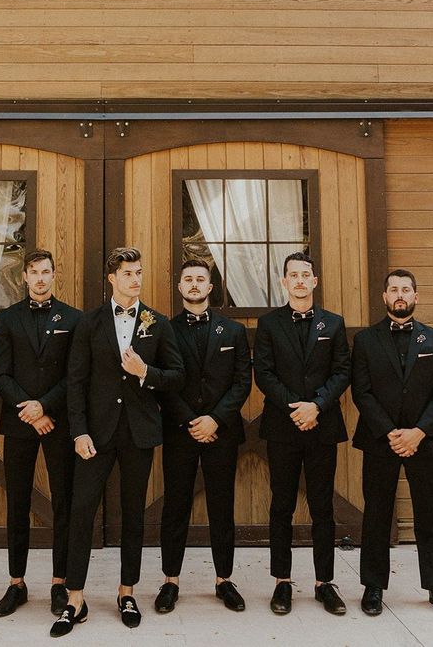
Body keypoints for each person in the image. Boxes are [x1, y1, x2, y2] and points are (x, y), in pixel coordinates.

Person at [50, 247, 184, 637]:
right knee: (81, 511)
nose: (135, 279)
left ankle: (127, 591)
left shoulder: (157, 322)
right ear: (112, 278)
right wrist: (78, 431)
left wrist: (147, 373)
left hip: (139, 432)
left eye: (139, 272)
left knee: (132, 515)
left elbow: (177, 375)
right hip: (95, 433)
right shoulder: (89, 324)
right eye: (127, 273)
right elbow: (75, 381)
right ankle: (75, 597)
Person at [352, 269, 433, 618]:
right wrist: (390, 433)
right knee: (377, 516)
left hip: (425, 443)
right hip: (380, 441)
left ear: (416, 296)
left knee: (429, 516)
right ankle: (373, 587)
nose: (400, 294)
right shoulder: (366, 341)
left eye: (406, 289)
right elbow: (362, 392)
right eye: (393, 289)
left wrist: (417, 433)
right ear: (384, 297)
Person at [253, 252, 350, 616]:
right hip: (283, 426)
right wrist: (297, 407)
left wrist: (317, 406)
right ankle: (282, 581)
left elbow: (342, 371)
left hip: (322, 427)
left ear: (314, 281)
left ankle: (325, 582)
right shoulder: (269, 324)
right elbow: (264, 374)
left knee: (323, 507)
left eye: (305, 274)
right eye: (292, 275)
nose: (298, 280)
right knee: (282, 506)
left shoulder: (334, 324)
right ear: (284, 282)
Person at [155, 260, 252, 615]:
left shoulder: (234, 331)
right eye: (188, 279)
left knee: (221, 507)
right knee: (175, 506)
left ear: (210, 287)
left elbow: (242, 382)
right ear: (179, 287)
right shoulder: (165, 329)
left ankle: (224, 579)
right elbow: (164, 382)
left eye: (201, 279)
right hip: (180, 431)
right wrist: (191, 421)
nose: (194, 284)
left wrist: (214, 419)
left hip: (221, 432)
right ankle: (170, 580)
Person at [0, 249, 81, 618]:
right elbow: (0, 374)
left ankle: (60, 582)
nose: (40, 278)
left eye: (46, 272)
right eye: (34, 272)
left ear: (54, 275)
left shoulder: (73, 319)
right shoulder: (8, 318)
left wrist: (45, 407)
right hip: (19, 422)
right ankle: (17, 583)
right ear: (24, 277)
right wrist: (30, 411)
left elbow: (74, 375)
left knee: (64, 502)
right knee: (17, 502)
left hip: (58, 422)